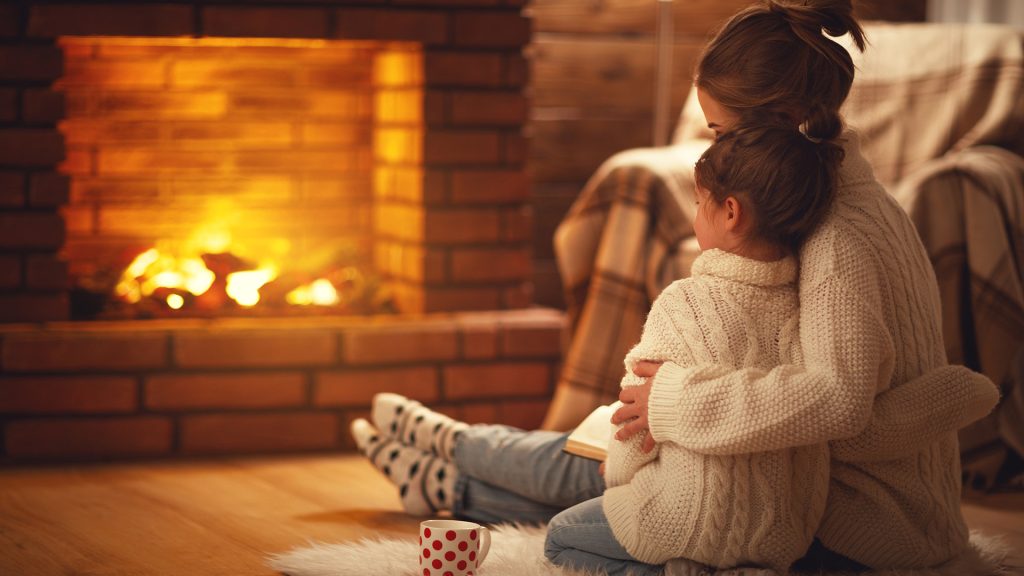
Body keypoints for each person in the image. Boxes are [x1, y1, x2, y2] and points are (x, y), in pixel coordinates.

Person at [349, 0, 1000, 573]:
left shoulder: (839, 239)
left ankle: (454, 465)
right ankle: (449, 466)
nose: (715, 150)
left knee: (607, 468)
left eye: (721, 131)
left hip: (866, 524)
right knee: (612, 450)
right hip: (816, 477)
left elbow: (839, 404)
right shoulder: (846, 199)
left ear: (785, 118)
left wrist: (676, 405)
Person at [543, 124, 844, 576]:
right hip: (784, 534)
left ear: (730, 212)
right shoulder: (809, 309)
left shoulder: (684, 302)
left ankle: (680, 570)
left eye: (697, 203)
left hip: (685, 520)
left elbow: (632, 425)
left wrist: (621, 476)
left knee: (560, 537)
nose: (694, 217)